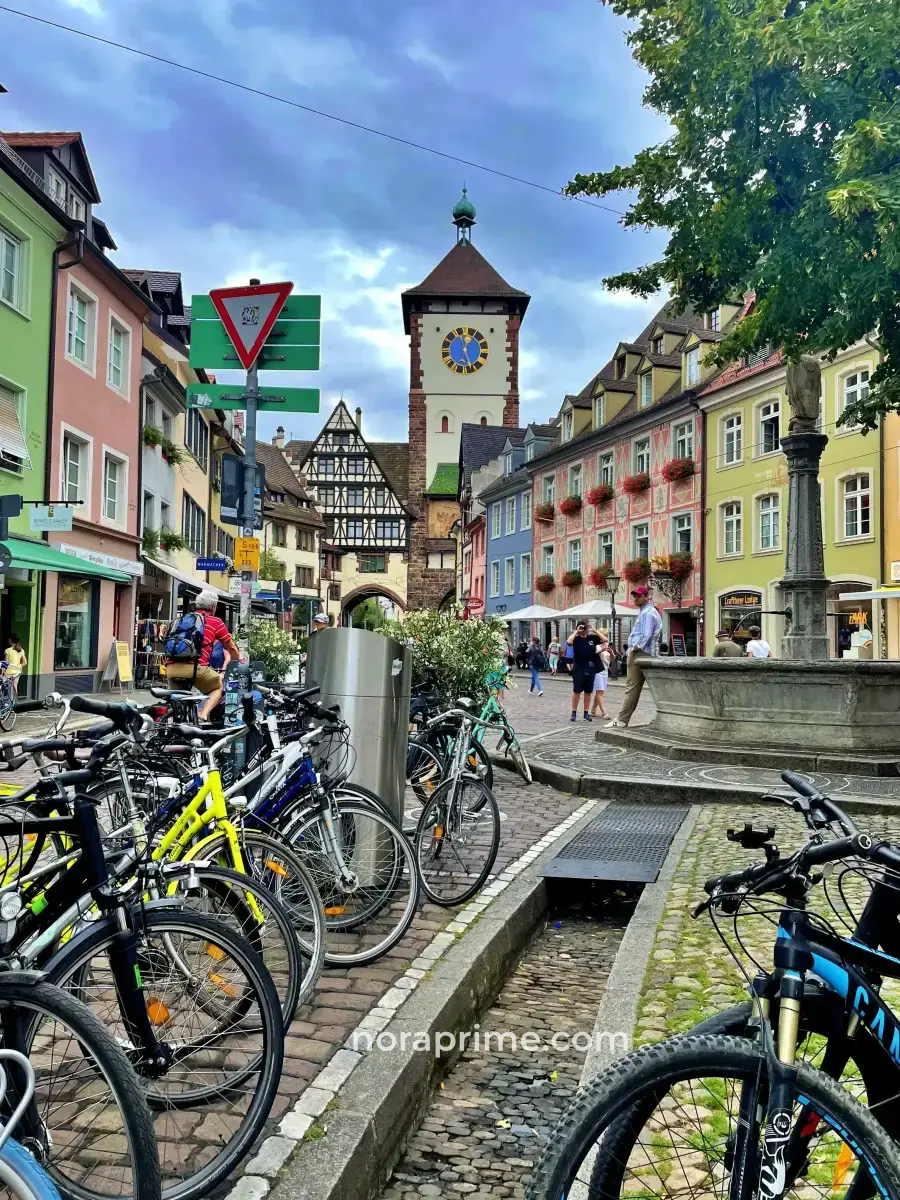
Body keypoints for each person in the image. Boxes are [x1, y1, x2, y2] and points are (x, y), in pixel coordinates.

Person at [164, 590, 239, 720]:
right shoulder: (215, 622)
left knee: (177, 702)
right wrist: (237, 661)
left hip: (171, 668)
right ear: (213, 607)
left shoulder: (181, 620)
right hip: (195, 669)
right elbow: (231, 647)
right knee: (217, 687)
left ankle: (176, 725)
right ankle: (203, 716)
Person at [606, 586, 662, 729]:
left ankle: (622, 720)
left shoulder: (647, 613)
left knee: (632, 688)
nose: (635, 598)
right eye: (634, 596)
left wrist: (634, 649)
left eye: (638, 596)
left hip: (641, 653)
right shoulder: (649, 611)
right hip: (649, 653)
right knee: (655, 688)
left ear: (646, 597)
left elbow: (645, 634)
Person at [567, 621, 601, 722]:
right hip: (579, 668)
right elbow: (569, 642)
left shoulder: (591, 638)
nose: (582, 629)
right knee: (577, 691)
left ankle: (586, 713)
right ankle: (574, 712)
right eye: (580, 628)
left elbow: (605, 639)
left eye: (583, 628)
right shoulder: (576, 639)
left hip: (590, 667)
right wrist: (576, 631)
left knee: (588, 691)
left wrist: (594, 630)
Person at [590, 629, 612, 720]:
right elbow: (591, 654)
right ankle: (604, 712)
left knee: (600, 692)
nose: (605, 638)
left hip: (605, 670)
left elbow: (612, 658)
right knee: (600, 692)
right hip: (597, 670)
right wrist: (601, 650)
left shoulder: (607, 645)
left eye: (606, 635)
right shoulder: (595, 645)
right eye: (604, 635)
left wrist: (611, 653)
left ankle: (593, 711)